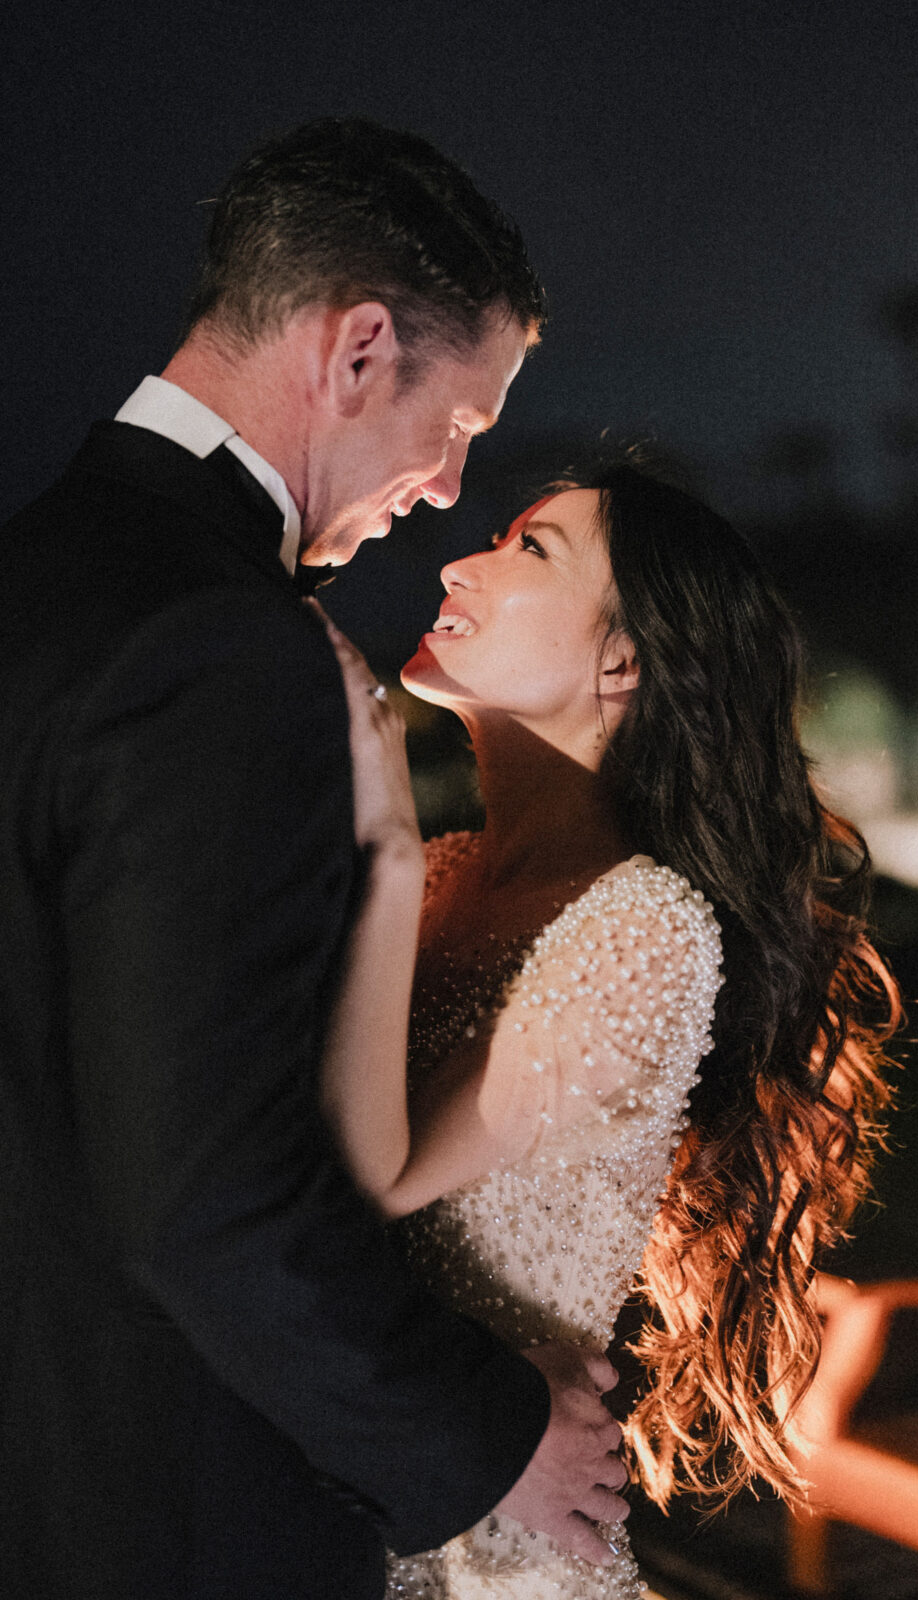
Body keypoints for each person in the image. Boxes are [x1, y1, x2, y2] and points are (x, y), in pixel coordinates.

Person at [0, 117, 629, 1600]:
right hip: (156, 1515)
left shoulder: (32, 580)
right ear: (356, 351)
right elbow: (204, 1192)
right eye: (460, 424)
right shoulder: (228, 649)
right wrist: (483, 1443)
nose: (444, 487)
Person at [318, 463, 901, 1598]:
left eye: (529, 549)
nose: (456, 562)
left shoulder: (642, 922)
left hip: (489, 1549)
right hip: (384, 1468)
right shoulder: (445, 875)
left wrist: (378, 821)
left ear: (619, 662)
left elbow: (380, 1172)